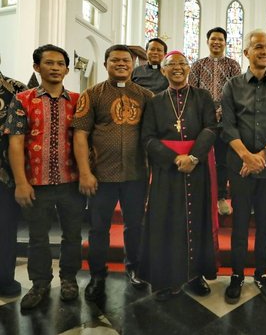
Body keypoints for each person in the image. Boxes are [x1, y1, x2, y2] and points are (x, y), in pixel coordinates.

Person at [5, 45, 84, 310]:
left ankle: (69, 279)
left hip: (71, 181)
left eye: (60, 64)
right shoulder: (23, 100)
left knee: (72, 235)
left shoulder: (77, 100)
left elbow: (86, 140)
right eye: (49, 63)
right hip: (35, 182)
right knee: (38, 237)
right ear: (37, 67)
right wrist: (21, 182)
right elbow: (15, 143)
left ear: (67, 69)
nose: (55, 68)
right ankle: (40, 283)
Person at [72, 44, 153, 301]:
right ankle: (97, 274)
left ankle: (135, 269)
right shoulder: (92, 94)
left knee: (135, 227)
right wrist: (85, 172)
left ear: (133, 64)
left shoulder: (146, 96)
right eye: (115, 60)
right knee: (98, 229)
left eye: (126, 61)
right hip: (101, 175)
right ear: (106, 63)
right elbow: (80, 134)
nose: (121, 64)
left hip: (136, 174)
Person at [221, 29, 266, 305]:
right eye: (259, 47)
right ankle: (237, 275)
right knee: (240, 223)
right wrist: (246, 157)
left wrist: (260, 156)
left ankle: (262, 274)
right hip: (239, 165)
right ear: (246, 53)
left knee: (264, 224)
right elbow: (227, 126)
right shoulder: (232, 86)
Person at [138, 51, 218, 301]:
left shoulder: (202, 97)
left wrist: (193, 157)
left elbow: (211, 128)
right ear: (163, 71)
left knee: (198, 220)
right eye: (171, 65)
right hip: (167, 170)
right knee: (166, 223)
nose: (177, 68)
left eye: (182, 64)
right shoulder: (154, 101)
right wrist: (174, 159)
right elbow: (147, 138)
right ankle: (165, 279)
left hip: (197, 167)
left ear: (188, 69)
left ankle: (196, 275)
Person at [189, 27, 242, 216]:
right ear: (207, 41)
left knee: (222, 161)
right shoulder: (197, 65)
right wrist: (206, 113)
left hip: (225, 120)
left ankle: (220, 197)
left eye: (220, 39)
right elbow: (192, 93)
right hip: (201, 120)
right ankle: (199, 197)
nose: (216, 42)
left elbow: (236, 92)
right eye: (213, 39)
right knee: (199, 158)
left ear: (225, 42)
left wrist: (220, 111)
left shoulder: (233, 65)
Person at [0, 64, 27, 299]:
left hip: (6, 174)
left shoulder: (17, 89)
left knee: (5, 229)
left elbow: (27, 132)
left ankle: (4, 279)